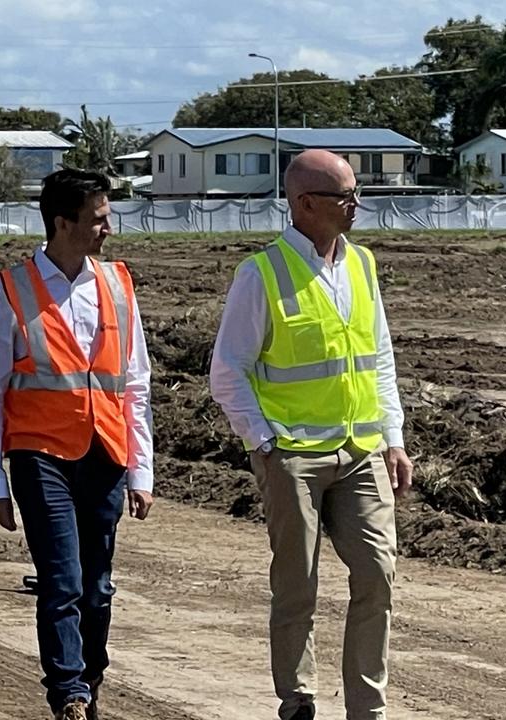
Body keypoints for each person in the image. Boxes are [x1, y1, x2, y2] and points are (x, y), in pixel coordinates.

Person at [209, 149, 413, 720]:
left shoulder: (362, 265)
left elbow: (380, 358)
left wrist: (392, 437)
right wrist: (264, 444)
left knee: (377, 573)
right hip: (292, 454)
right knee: (297, 584)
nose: (356, 206)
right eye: (345, 196)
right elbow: (228, 371)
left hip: (361, 448)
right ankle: (298, 698)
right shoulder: (261, 274)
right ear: (305, 204)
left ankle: (367, 708)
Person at [0, 168, 154, 720]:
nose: (109, 229)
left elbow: (136, 384)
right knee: (62, 581)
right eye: (99, 219)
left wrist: (142, 471)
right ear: (62, 222)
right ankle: (68, 693)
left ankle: (89, 682)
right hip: (39, 456)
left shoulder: (119, 285)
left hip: (106, 453)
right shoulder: (11, 290)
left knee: (97, 588)